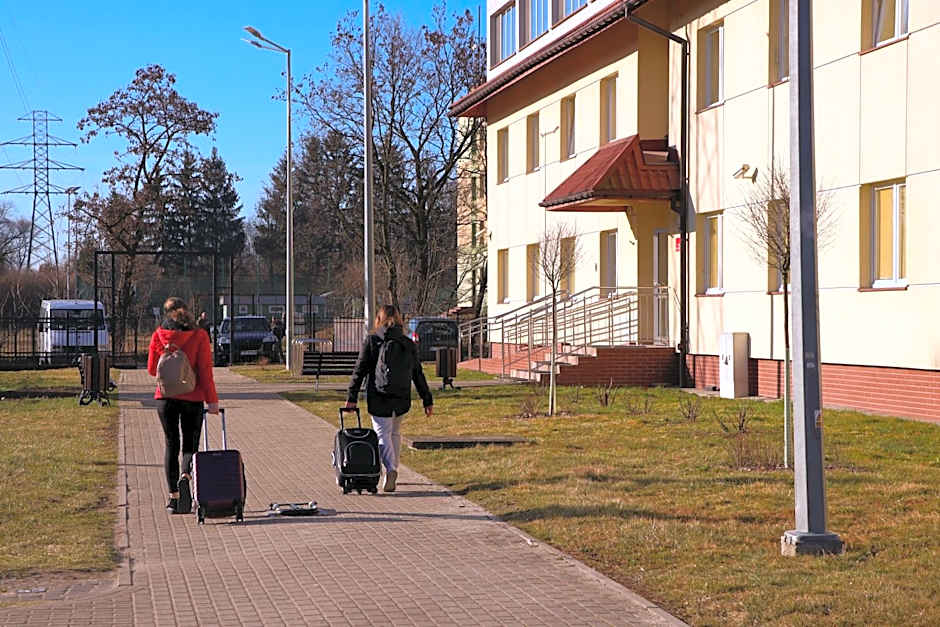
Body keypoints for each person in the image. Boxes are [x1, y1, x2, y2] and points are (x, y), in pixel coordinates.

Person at [346, 305, 433, 492]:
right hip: (401, 397)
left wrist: (351, 397)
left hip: (379, 396)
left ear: (379, 319)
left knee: (382, 433)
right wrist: (427, 399)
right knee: (394, 432)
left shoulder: (372, 340)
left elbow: (359, 370)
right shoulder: (407, 343)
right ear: (399, 320)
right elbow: (418, 373)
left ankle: (391, 469)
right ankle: (393, 471)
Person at [147, 297, 219, 514]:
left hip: (165, 397)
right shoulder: (199, 336)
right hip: (193, 396)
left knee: (171, 444)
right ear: (187, 312)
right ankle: (186, 475)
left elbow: (152, 369)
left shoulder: (158, 335)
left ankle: (173, 498)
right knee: (190, 445)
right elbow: (205, 372)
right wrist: (212, 401)